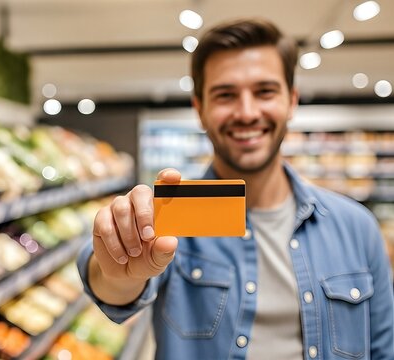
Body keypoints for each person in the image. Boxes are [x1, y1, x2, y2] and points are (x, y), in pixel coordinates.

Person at [77, 18, 394, 359]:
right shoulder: (172, 218)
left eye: (265, 92)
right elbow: (112, 284)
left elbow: (382, 349)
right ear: (200, 109)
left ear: (292, 101)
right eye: (225, 94)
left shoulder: (357, 227)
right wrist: (118, 268)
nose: (246, 112)